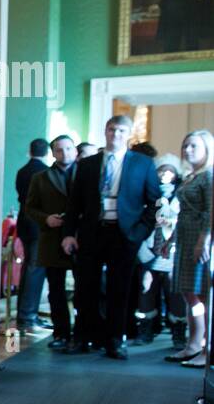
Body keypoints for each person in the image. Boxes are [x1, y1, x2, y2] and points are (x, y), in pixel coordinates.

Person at [61, 116, 161, 359]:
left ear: (128, 133)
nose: (115, 134)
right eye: (111, 129)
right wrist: (68, 234)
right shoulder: (88, 164)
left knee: (120, 289)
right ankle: (83, 337)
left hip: (125, 234)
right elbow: (74, 204)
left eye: (121, 130)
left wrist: (139, 233)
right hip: (92, 232)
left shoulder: (143, 163)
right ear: (105, 131)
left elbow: (154, 203)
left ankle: (115, 340)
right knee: (86, 288)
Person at [23, 134, 78, 349]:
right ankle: (61, 333)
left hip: (80, 239)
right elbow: (29, 208)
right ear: (53, 153)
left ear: (74, 151)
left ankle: (83, 332)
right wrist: (45, 218)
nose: (64, 153)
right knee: (55, 289)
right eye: (59, 149)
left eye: (68, 149)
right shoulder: (41, 177)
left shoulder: (86, 173)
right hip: (51, 238)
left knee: (84, 289)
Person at [166, 131, 214, 367]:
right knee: (190, 294)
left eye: (194, 146)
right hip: (185, 237)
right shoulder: (191, 177)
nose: (188, 150)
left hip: (200, 239)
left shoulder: (210, 175)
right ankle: (193, 344)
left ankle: (207, 350)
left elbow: (210, 211)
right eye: (185, 146)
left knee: (204, 296)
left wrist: (203, 240)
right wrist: (170, 239)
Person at [138, 157, 181, 346]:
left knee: (174, 291)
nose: (165, 174)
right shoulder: (149, 193)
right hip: (150, 248)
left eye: (170, 171)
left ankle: (178, 329)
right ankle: (146, 327)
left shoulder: (181, 194)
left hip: (173, 251)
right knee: (147, 288)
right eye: (162, 171)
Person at [15, 138, 51, 334]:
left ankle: (24, 313)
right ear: (46, 152)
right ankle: (27, 316)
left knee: (28, 268)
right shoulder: (45, 172)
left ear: (30, 151)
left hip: (23, 222)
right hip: (37, 224)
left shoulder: (22, 171)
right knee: (35, 269)